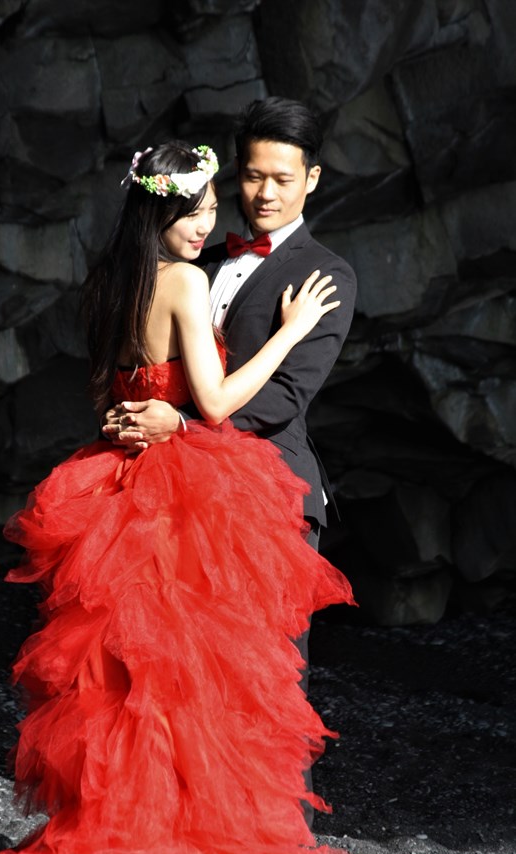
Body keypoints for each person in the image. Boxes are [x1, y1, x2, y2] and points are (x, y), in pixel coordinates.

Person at [0, 141, 435, 854]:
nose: (207, 224)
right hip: (183, 490)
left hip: (117, 482)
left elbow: (112, 390)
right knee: (195, 677)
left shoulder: (111, 281)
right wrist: (291, 332)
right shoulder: (185, 281)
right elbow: (219, 402)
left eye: (209, 209)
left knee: (123, 678)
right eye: (194, 210)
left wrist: (136, 418)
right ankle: (186, 842)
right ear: (163, 211)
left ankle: (120, 835)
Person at [103, 97, 358, 693]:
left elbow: (285, 397)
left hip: (272, 492)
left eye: (282, 179)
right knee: (182, 676)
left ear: (312, 180)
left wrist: (182, 425)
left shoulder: (328, 275)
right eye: (252, 176)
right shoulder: (198, 258)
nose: (265, 193)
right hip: (176, 496)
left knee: (266, 680)